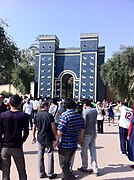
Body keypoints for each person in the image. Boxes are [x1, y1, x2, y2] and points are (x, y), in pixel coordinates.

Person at [54, 98, 84, 180]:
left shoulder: (64, 116)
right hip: (74, 142)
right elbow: (81, 129)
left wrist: (56, 141)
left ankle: (68, 177)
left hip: (64, 143)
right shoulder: (79, 116)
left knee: (63, 164)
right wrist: (80, 139)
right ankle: (66, 176)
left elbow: (60, 131)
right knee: (69, 161)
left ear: (65, 106)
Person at [0, 94, 29, 180]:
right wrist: (22, 140)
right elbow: (26, 132)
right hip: (17, 145)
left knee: (5, 173)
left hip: (5, 145)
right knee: (21, 171)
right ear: (20, 104)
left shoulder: (3, 115)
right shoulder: (24, 116)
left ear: (9, 103)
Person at [32, 101, 57, 179]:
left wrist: (33, 136)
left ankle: (41, 172)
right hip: (48, 137)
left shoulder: (36, 115)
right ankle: (50, 173)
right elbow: (53, 126)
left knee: (40, 155)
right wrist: (56, 136)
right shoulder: (49, 115)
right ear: (46, 106)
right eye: (48, 106)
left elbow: (34, 127)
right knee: (50, 154)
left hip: (40, 137)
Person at [78, 99, 99, 176]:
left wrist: (80, 135)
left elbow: (83, 124)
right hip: (93, 132)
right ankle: (95, 168)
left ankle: (84, 166)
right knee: (93, 151)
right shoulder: (95, 111)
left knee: (84, 150)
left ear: (85, 104)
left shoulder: (85, 111)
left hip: (86, 133)